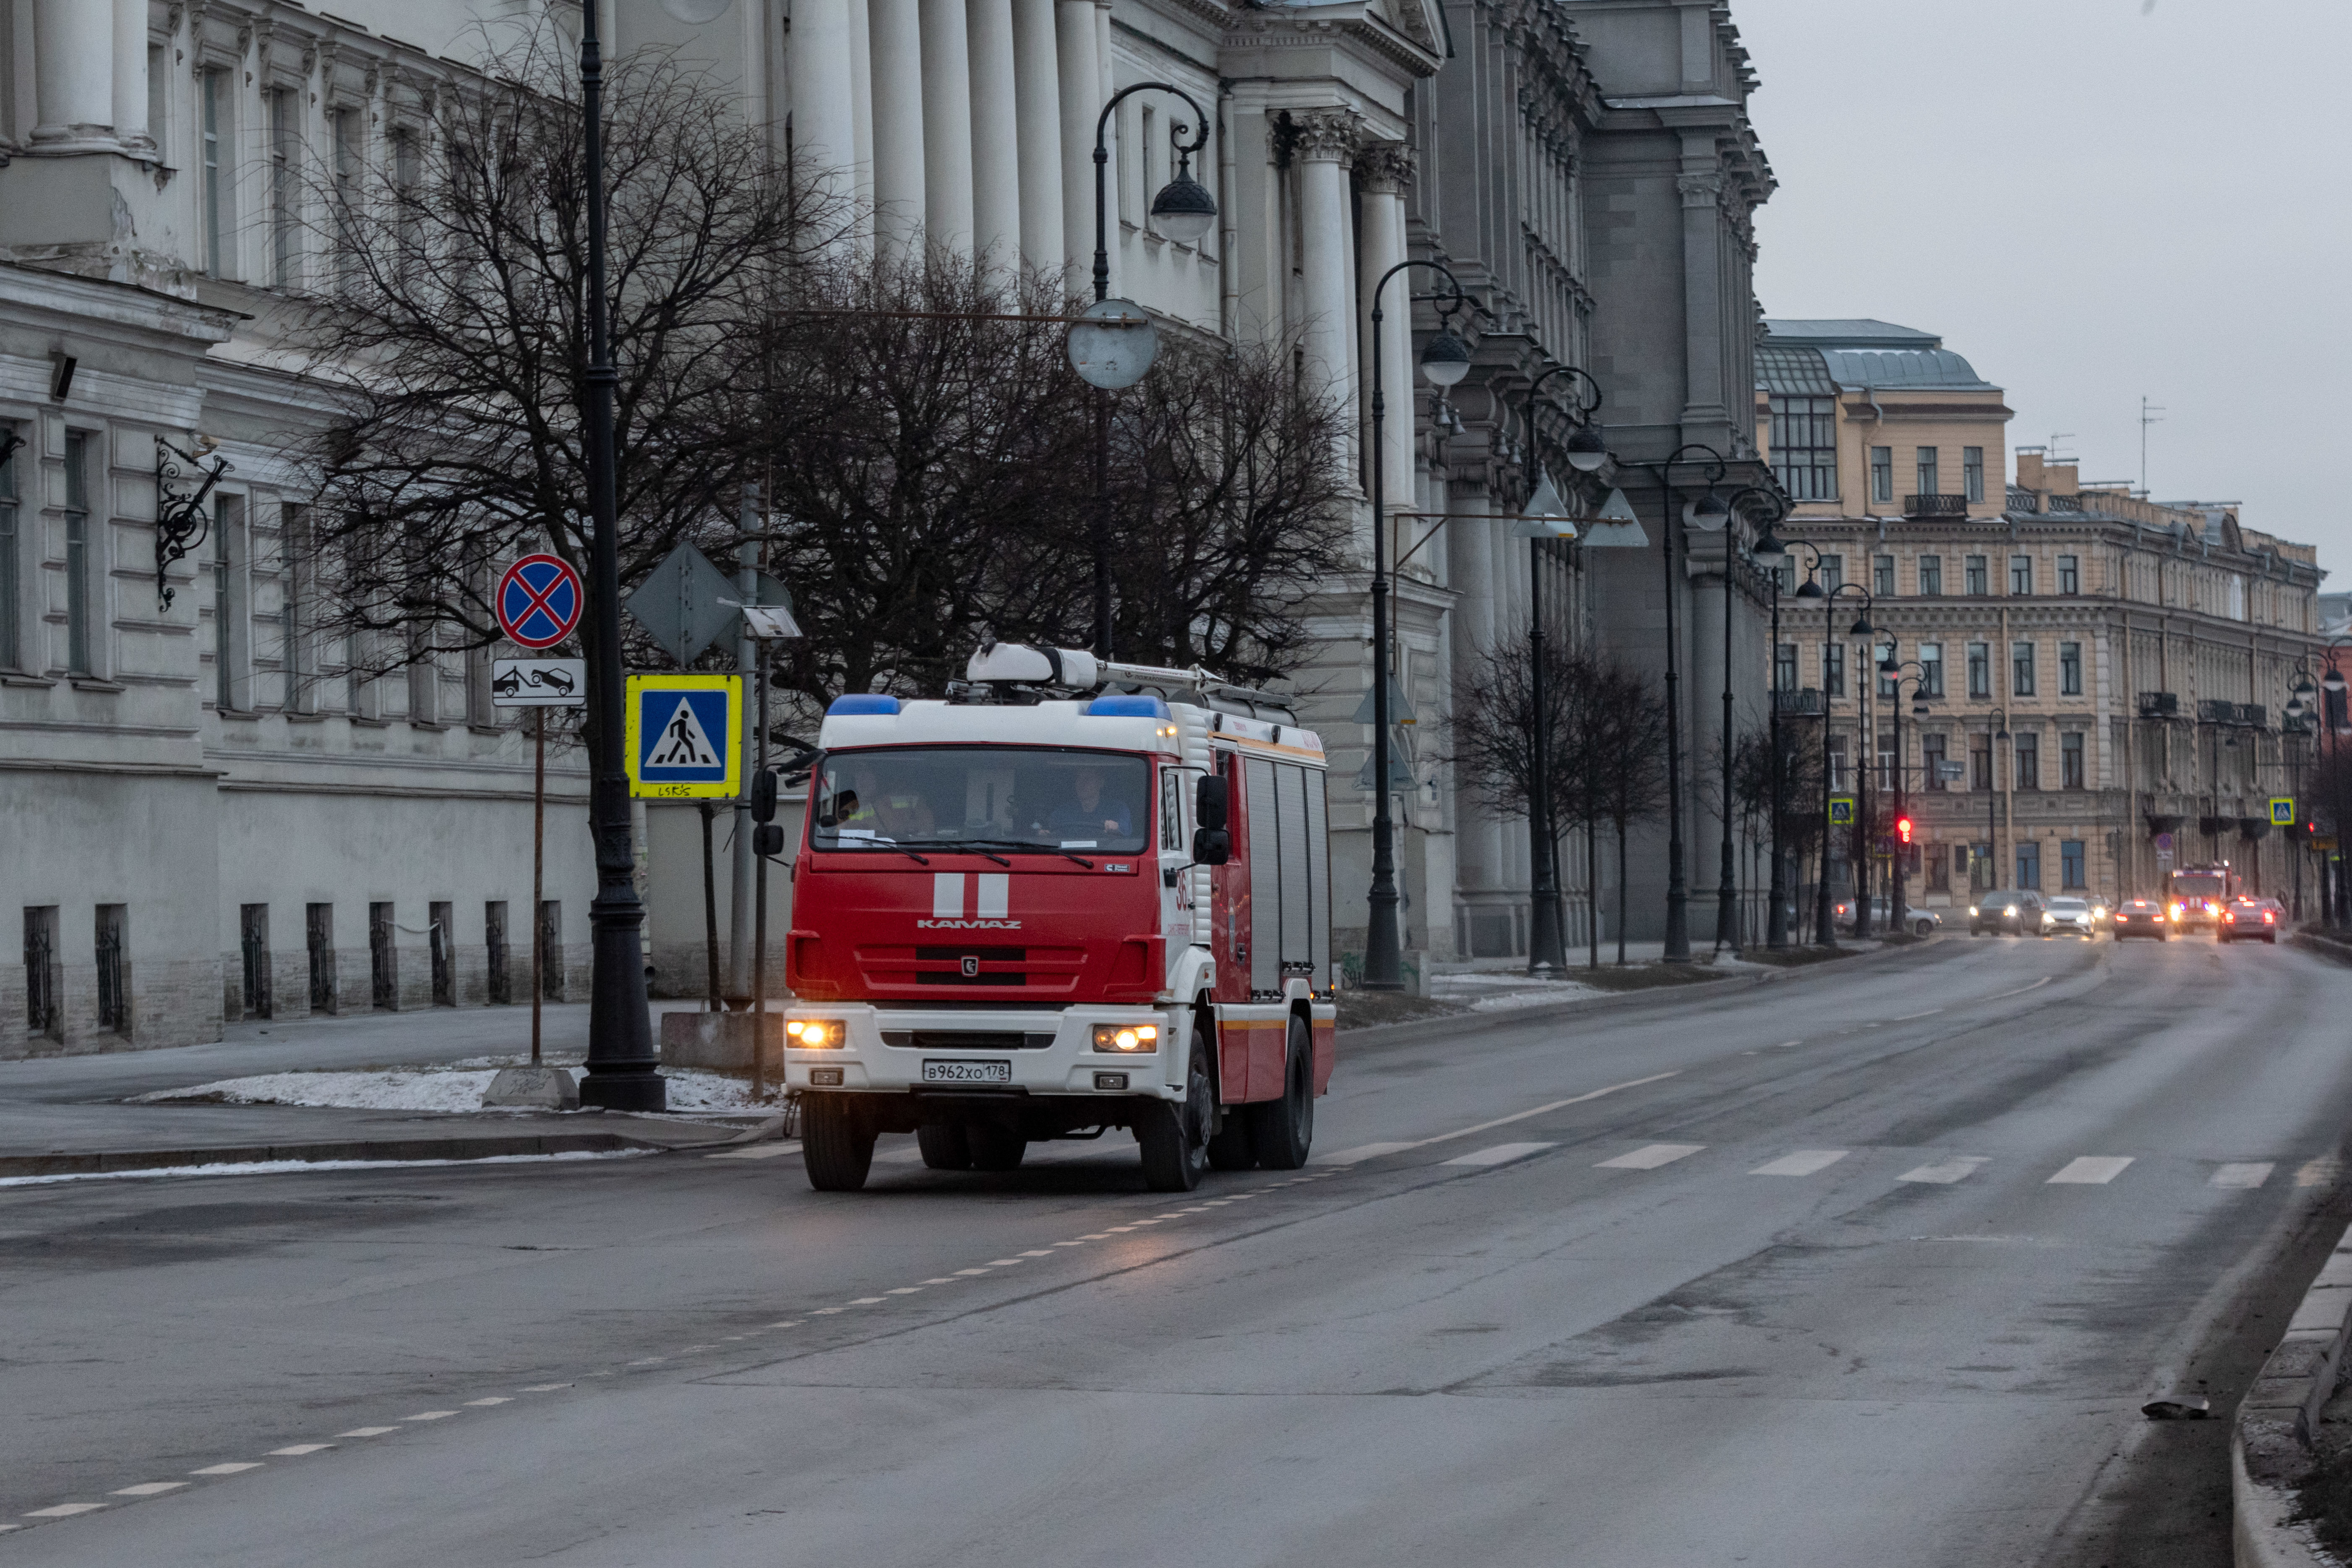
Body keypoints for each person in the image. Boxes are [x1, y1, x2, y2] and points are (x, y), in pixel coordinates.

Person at [1045, 766, 1132, 841]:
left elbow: (1126, 831)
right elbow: (1050, 831)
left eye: (1088, 779)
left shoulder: (1117, 809)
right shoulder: (1063, 811)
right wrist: (1045, 834)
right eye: (1079, 779)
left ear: (1101, 783)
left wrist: (1116, 828)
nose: (1082, 783)